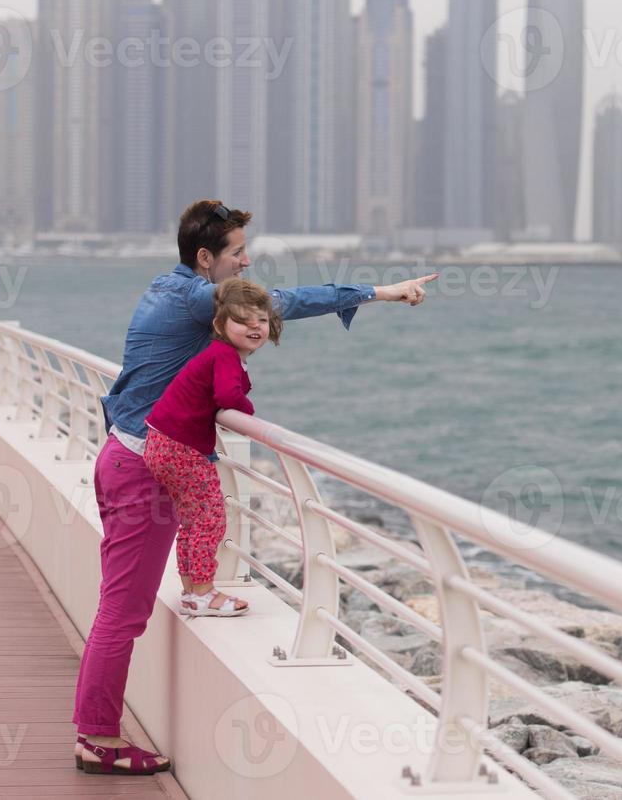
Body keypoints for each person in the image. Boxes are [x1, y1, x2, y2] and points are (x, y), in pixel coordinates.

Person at [72, 200, 437, 776]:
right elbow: (281, 305)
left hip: (135, 456)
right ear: (205, 257)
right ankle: (95, 739)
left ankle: (110, 709)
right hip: (142, 467)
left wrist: (374, 292)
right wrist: (380, 292)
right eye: (238, 252)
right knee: (122, 611)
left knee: (124, 607)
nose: (247, 262)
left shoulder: (169, 287)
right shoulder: (197, 299)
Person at [144, 279, 278, 619]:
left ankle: (192, 590)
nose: (254, 327)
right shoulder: (224, 355)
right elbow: (228, 397)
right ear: (220, 325)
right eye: (242, 320)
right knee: (210, 518)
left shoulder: (221, 354)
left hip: (163, 441)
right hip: (180, 446)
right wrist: (249, 415)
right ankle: (203, 592)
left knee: (192, 520)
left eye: (261, 320)